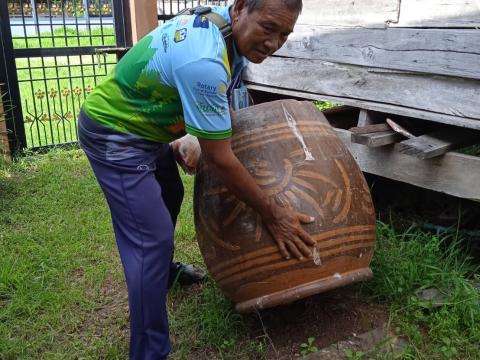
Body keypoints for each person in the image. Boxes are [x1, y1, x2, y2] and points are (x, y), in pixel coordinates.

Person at [77, 0, 314, 358]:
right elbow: (220, 159)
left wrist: (190, 134)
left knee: (170, 192)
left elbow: (216, 100)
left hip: (147, 129)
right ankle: (149, 352)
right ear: (240, 10)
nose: (273, 43)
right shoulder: (204, 60)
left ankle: (166, 274)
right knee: (149, 238)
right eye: (268, 28)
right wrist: (273, 213)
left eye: (284, 34)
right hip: (115, 134)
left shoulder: (223, 26)